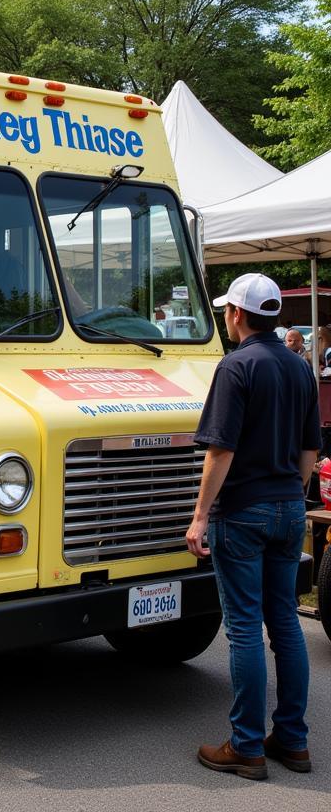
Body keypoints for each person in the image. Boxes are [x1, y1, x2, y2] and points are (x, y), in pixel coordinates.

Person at [187, 273, 320, 780]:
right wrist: (291, 492)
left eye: (226, 310)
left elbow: (221, 451)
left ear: (237, 315)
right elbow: (311, 449)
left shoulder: (236, 366)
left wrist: (200, 515)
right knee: (284, 621)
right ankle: (292, 740)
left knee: (243, 628)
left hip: (243, 511)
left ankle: (245, 746)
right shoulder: (299, 367)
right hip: (289, 506)